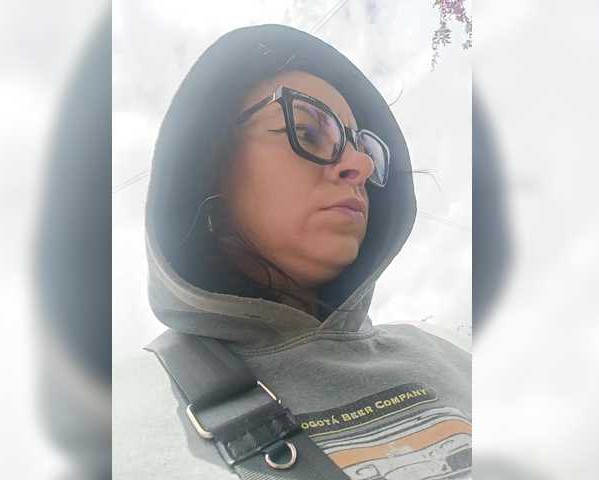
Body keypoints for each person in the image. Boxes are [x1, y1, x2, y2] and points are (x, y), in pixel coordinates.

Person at [113, 24, 471, 479]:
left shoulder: (449, 349)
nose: (360, 164)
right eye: (305, 130)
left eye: (363, 147)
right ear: (208, 167)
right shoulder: (118, 409)